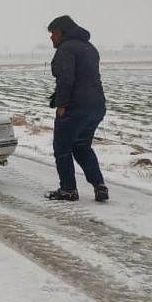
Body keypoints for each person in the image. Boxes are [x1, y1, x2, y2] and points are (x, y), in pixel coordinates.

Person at [46, 15, 109, 202]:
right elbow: (85, 78)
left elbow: (66, 79)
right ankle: (99, 185)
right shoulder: (89, 48)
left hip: (75, 108)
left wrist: (61, 105)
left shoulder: (66, 48)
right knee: (82, 147)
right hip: (96, 107)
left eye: (53, 33)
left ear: (62, 32)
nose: (51, 37)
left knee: (62, 149)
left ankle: (68, 190)